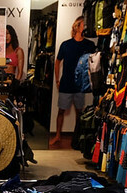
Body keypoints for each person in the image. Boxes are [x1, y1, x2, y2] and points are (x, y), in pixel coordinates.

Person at [50, 16, 95, 147]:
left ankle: (77, 137)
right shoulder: (66, 45)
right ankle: (58, 135)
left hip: (80, 85)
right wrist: (57, 80)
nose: (85, 27)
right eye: (83, 25)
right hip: (66, 83)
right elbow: (57, 62)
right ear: (77, 26)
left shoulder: (89, 45)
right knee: (61, 111)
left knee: (80, 112)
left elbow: (94, 61)